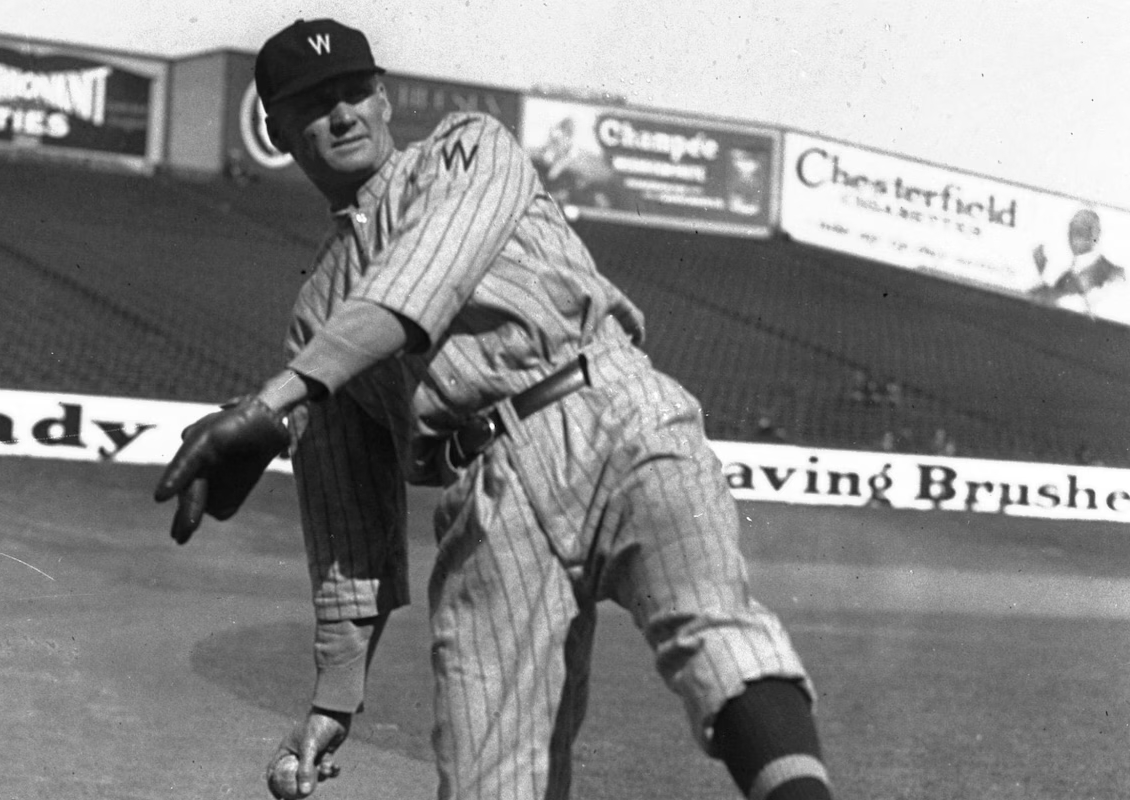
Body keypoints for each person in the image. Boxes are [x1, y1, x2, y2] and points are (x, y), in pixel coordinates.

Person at [154, 18, 833, 800]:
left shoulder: (468, 148)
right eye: (314, 104)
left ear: (382, 99)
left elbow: (419, 279)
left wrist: (277, 396)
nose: (341, 115)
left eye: (353, 92)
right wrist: (333, 696)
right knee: (488, 773)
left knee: (714, 637)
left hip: (610, 406)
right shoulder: (316, 321)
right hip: (489, 487)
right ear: (277, 130)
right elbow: (349, 520)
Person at [1030, 209, 1128, 323]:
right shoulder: (1066, 275)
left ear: (1095, 235)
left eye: (1080, 231)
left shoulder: (1113, 273)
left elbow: (1089, 309)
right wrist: (1041, 272)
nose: (1072, 236)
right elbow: (1045, 303)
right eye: (1071, 230)